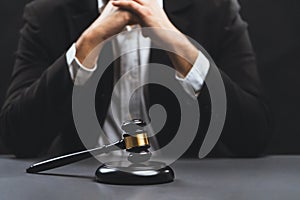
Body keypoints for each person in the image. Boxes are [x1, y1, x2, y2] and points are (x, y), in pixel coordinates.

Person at [0, 0, 270, 158]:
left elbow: (254, 137)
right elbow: (18, 138)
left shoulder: (215, 9)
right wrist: (87, 45)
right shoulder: (48, 13)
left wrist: (180, 48)